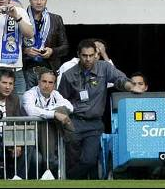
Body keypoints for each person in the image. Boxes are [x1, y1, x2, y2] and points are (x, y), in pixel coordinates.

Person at [58, 39, 142, 179]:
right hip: (74, 122)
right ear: (78, 54)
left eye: (91, 55)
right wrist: (63, 121)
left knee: (89, 160)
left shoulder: (104, 68)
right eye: (84, 55)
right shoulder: (68, 75)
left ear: (96, 54)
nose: (88, 59)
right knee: (72, 160)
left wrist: (131, 87)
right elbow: (61, 99)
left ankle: (69, 180)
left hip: (94, 123)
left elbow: (120, 79)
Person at [22, 67, 74, 177]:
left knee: (62, 110)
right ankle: (71, 138)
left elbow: (70, 107)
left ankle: (69, 139)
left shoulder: (55, 94)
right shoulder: (30, 94)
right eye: (44, 81)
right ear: (38, 82)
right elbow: (31, 111)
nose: (47, 85)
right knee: (39, 159)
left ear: (54, 85)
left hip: (51, 136)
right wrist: (53, 114)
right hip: (31, 138)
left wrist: (51, 111)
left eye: (50, 82)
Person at [22, 0, 69, 89]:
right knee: (26, 102)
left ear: (46, 0)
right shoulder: (21, 18)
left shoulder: (56, 19)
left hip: (49, 69)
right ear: (30, 0)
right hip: (26, 69)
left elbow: (65, 47)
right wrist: (25, 51)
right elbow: (11, 44)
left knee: (49, 103)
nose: (39, 2)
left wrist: (52, 51)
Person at [0, 68, 26, 178]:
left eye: (11, 83)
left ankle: (18, 179)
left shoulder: (15, 98)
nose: (8, 87)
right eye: (4, 83)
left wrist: (18, 143)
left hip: (9, 137)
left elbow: (18, 122)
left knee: (28, 147)